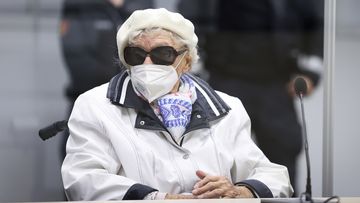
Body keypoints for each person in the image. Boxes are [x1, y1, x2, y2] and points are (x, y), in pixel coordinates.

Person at [61, 8, 293, 200]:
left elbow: (275, 177)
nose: (148, 63)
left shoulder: (227, 108)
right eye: (136, 55)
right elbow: (82, 180)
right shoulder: (95, 105)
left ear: (187, 61)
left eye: (162, 54)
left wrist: (241, 191)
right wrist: (158, 199)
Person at [178, 0, 324, 194]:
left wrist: (309, 73)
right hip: (223, 76)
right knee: (218, 154)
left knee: (283, 149)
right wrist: (191, 73)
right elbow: (190, 19)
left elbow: (313, 23)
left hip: (276, 80)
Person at [59, 0, 154, 158]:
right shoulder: (80, 5)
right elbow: (77, 59)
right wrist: (118, 90)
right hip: (92, 102)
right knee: (84, 163)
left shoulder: (142, 4)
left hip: (139, 107)